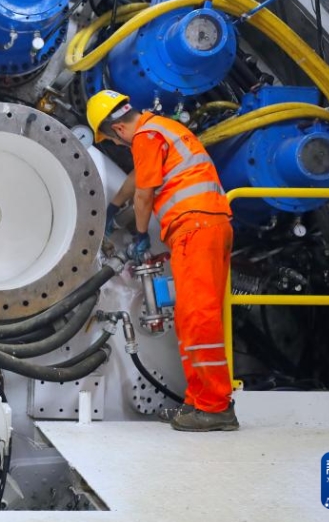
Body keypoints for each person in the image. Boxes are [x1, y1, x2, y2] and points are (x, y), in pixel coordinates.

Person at [87, 89, 239, 432]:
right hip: (202, 226)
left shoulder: (146, 136)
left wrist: (140, 234)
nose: (120, 147)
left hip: (196, 227)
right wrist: (113, 206)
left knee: (199, 318)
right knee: (188, 317)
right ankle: (197, 403)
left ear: (117, 130)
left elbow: (144, 195)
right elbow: (137, 179)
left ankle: (216, 407)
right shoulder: (159, 131)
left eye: (113, 142)